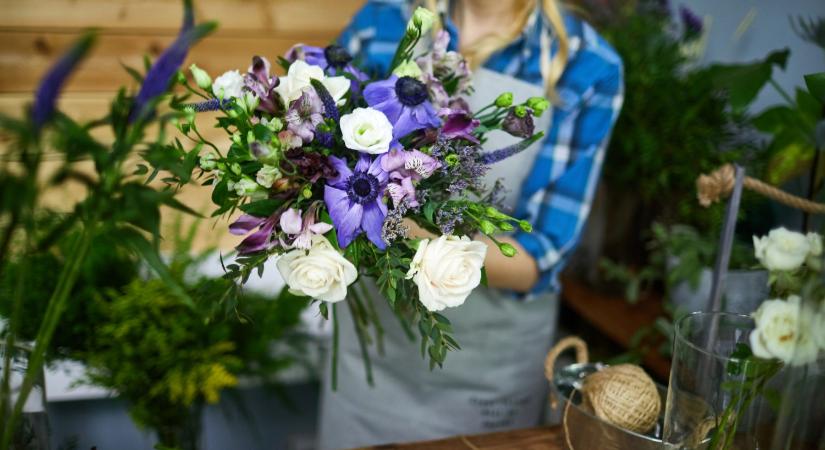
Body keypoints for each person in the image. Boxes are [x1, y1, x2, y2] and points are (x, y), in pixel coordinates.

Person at [317, 0, 624, 448]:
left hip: (484, 376)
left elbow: (538, 259)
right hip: (369, 368)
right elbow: (323, 157)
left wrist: (398, 222)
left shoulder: (584, 65)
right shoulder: (382, 24)